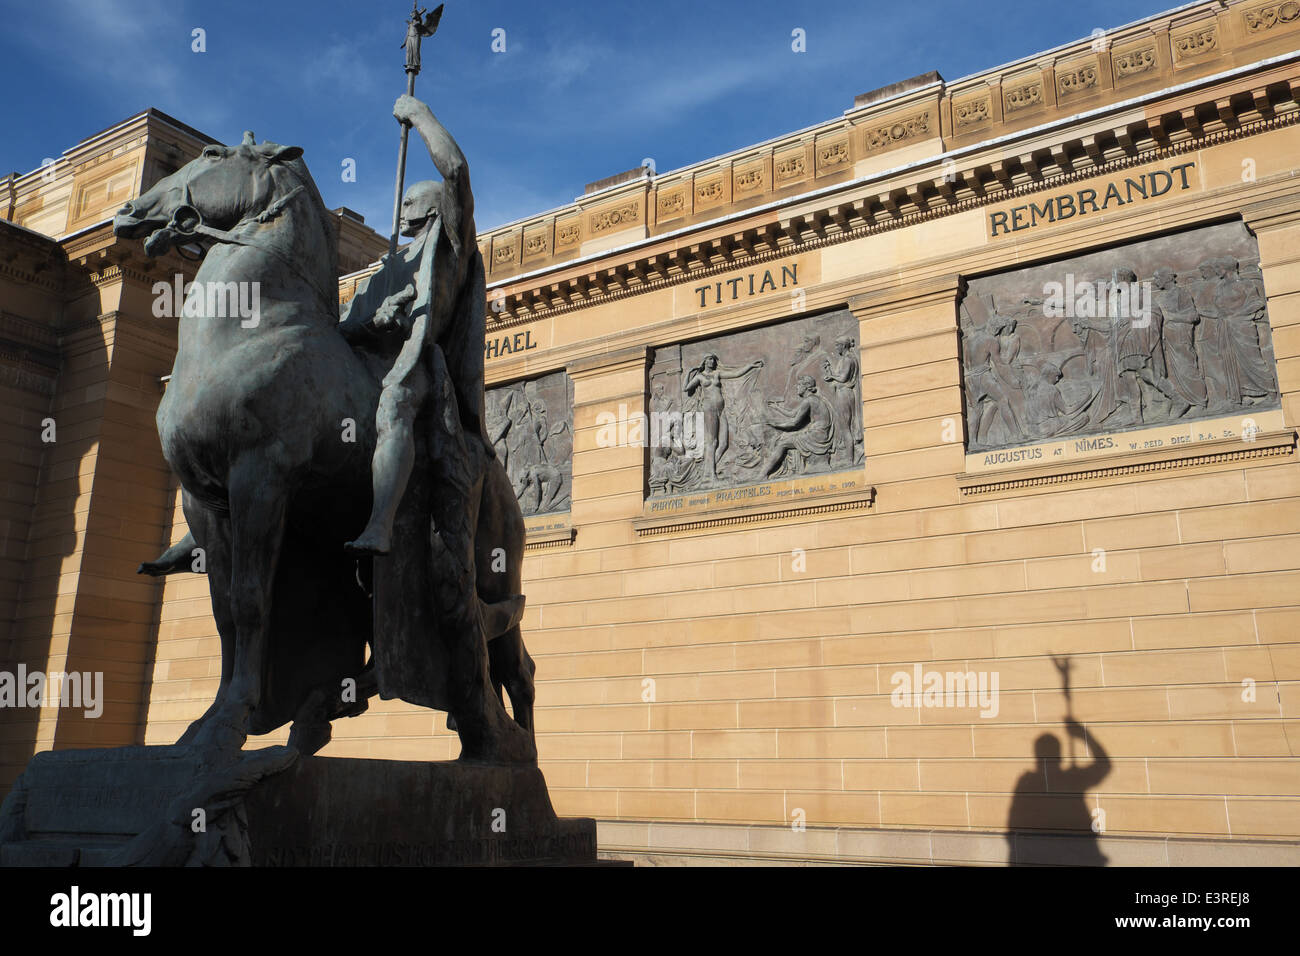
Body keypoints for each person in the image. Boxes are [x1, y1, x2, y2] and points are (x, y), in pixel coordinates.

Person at [338, 93, 485, 555]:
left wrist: (418, 115)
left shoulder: (451, 246)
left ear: (435, 206)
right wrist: (374, 320)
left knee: (395, 404)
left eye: (411, 200)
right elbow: (346, 328)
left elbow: (457, 170)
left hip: (416, 366)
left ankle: (381, 524)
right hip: (366, 363)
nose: (402, 207)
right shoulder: (386, 269)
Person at [684, 353, 764, 479]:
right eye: (710, 359)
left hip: (720, 409)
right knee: (712, 441)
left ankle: (707, 471)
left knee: (723, 443)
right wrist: (688, 373)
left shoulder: (717, 374)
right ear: (704, 361)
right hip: (709, 408)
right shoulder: (700, 377)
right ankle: (710, 476)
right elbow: (686, 388)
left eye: (713, 359)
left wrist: (750, 366)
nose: (712, 362)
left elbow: (735, 374)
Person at [760, 375, 836, 477]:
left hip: (817, 436)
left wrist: (775, 425)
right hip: (818, 433)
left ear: (806, 386)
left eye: (799, 385)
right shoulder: (813, 399)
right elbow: (792, 413)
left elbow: (794, 422)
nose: (797, 387)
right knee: (785, 438)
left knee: (783, 443)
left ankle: (763, 475)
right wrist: (777, 408)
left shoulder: (808, 401)